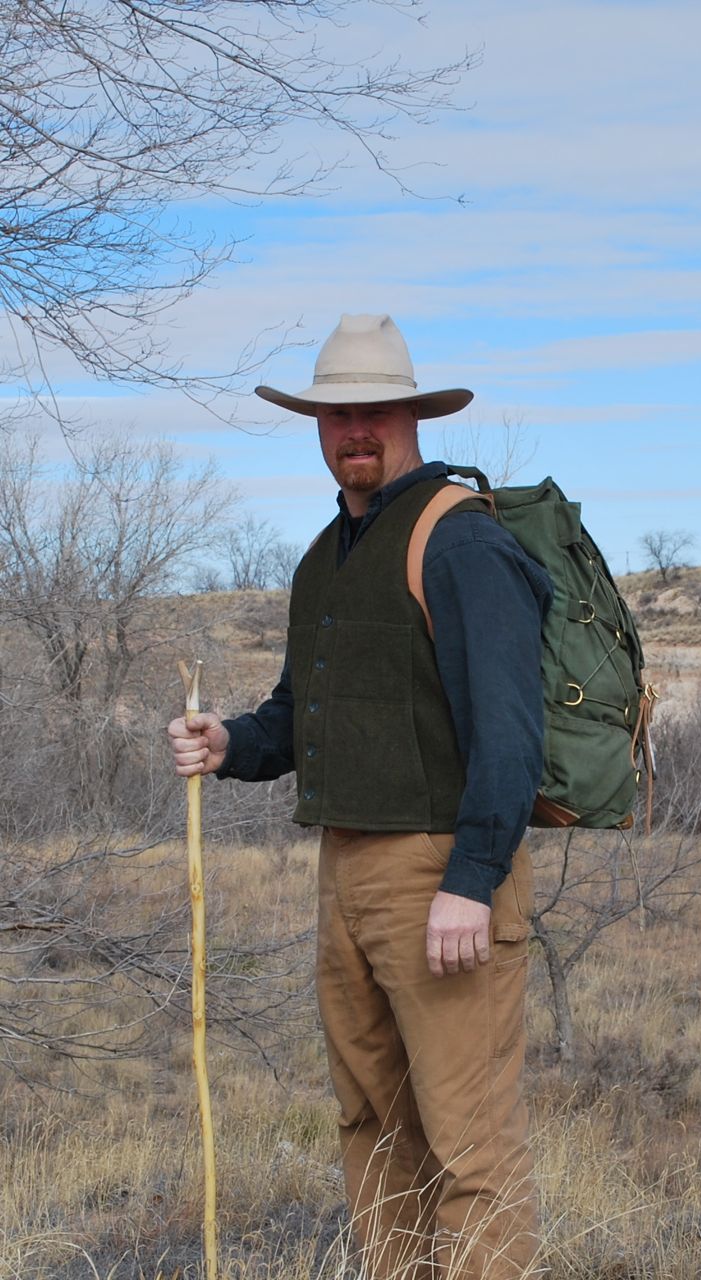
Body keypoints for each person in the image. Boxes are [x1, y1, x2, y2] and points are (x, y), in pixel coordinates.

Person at [168, 314, 552, 1279]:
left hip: (440, 872)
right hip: (345, 870)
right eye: (336, 414)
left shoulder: (460, 541)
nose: (355, 431)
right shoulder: (325, 556)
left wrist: (471, 879)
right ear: (316, 425)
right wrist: (230, 744)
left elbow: (510, 733)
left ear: (413, 416)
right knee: (374, 1126)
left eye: (374, 411)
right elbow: (298, 714)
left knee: (468, 1143)